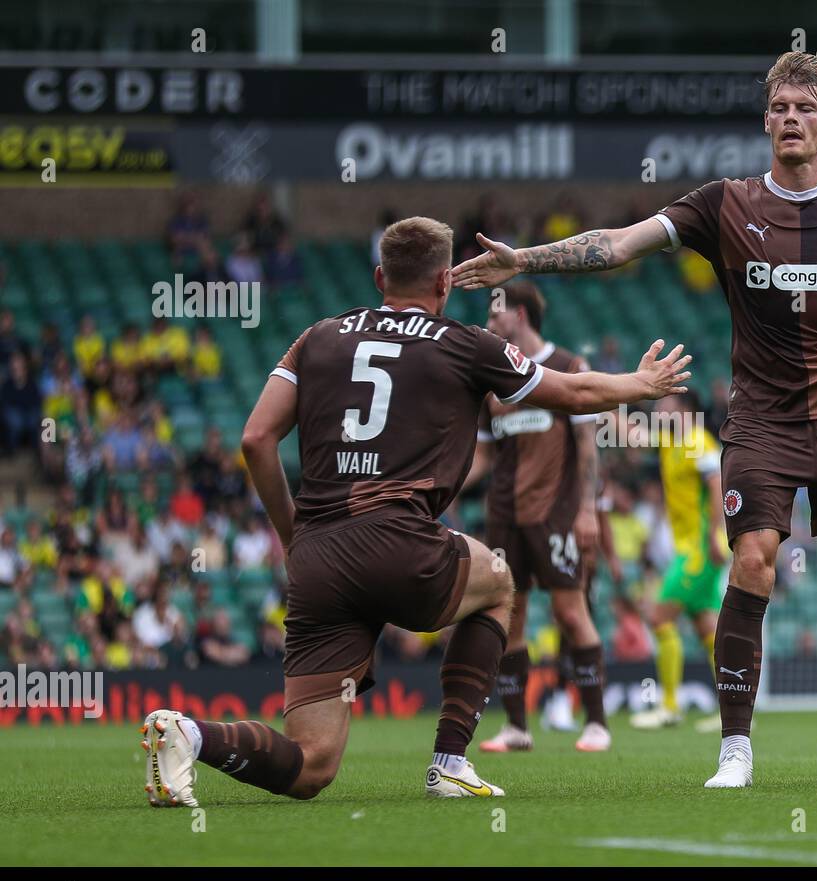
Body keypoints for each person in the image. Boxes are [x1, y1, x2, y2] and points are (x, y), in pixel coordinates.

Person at [454, 52, 817, 787]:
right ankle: (735, 749)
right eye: (778, 108)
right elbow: (619, 244)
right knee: (754, 558)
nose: (789, 119)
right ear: (766, 121)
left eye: (804, 108)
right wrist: (528, 261)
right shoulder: (725, 203)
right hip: (763, 423)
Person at [138, 216, 692, 807]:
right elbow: (575, 394)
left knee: (310, 768)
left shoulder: (317, 337)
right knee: (500, 585)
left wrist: (292, 534)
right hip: (398, 542)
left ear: (380, 277)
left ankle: (188, 734)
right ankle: (450, 762)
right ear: (445, 283)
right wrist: (642, 383)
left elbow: (254, 440)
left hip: (319, 561)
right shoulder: (466, 344)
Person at [461, 280, 612, 753]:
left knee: (570, 612)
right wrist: (431, 488)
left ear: (520, 315)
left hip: (557, 514)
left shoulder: (569, 368)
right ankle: (517, 728)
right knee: (510, 616)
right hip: (504, 516)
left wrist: (588, 510)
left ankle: (596, 723)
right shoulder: (494, 381)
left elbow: (589, 448)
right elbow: (483, 459)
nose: (489, 323)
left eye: (495, 314)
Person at [629, 390, 728, 731]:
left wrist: (717, 534)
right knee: (707, 627)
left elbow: (718, 486)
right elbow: (632, 435)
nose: (657, 408)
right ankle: (734, 711)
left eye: (663, 404)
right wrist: (598, 402)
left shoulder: (699, 441)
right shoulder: (669, 441)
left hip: (699, 549)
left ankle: (669, 706)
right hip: (688, 549)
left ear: (683, 408)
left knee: (657, 616)